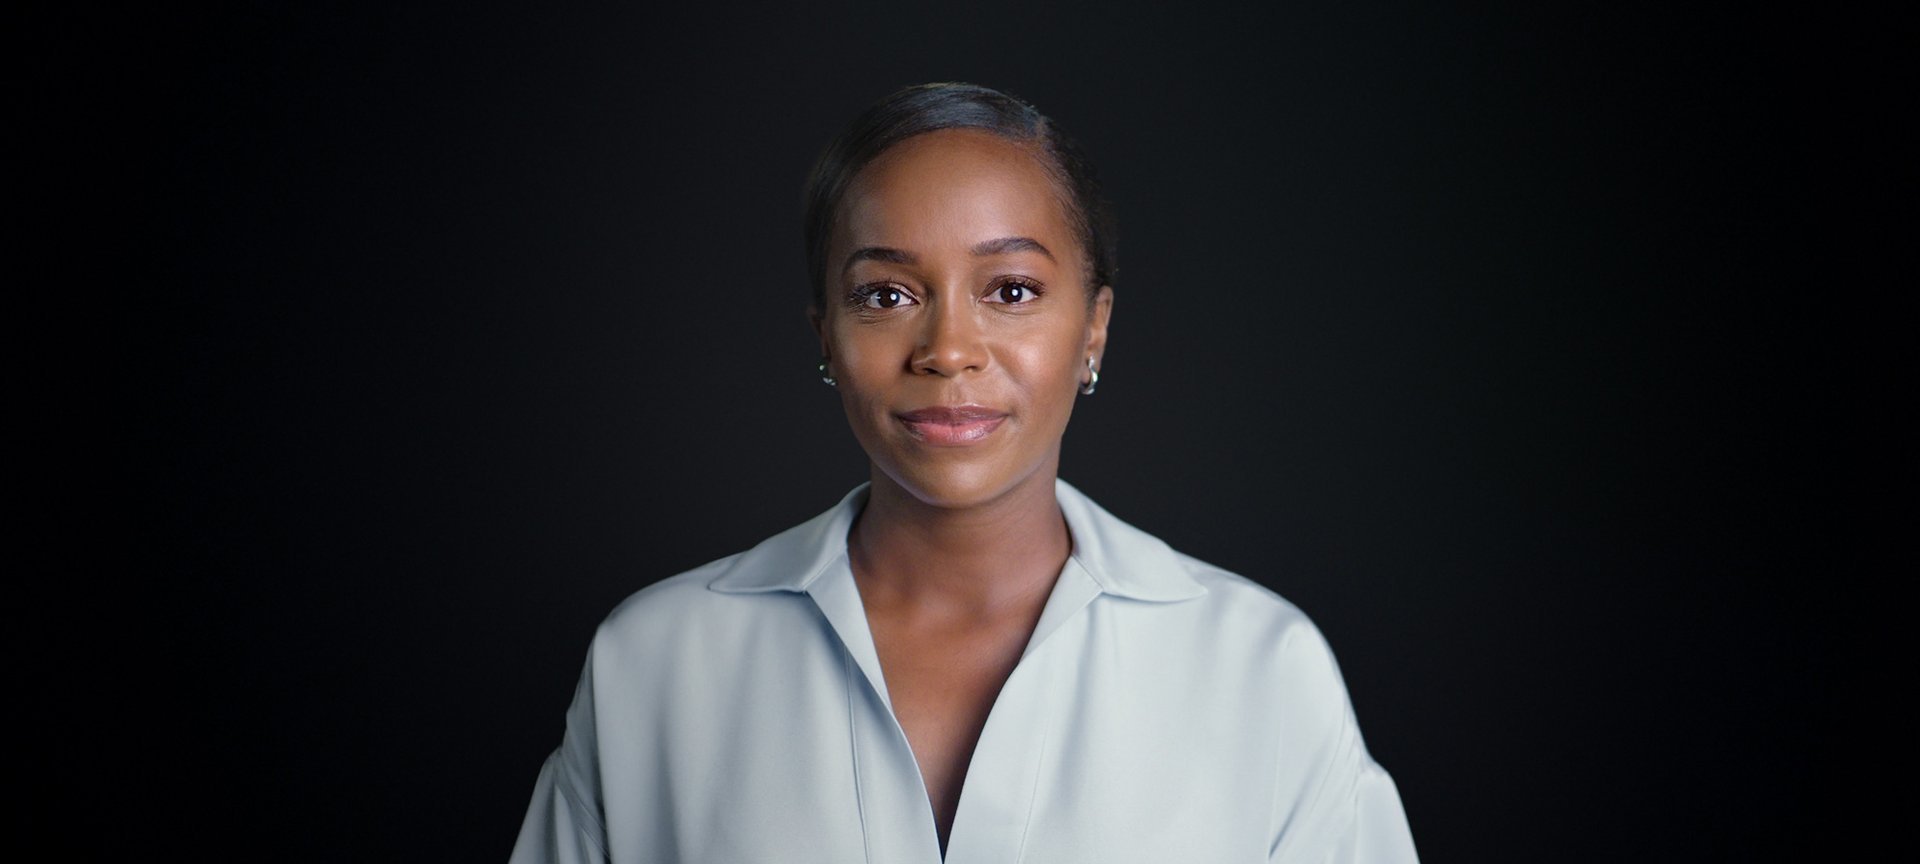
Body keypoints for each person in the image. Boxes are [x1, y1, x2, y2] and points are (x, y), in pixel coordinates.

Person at [509, 82, 1418, 864]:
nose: (948, 349)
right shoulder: (655, 666)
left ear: (1092, 329)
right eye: (886, 295)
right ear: (825, 334)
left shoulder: (1259, 669)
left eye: (1011, 291)